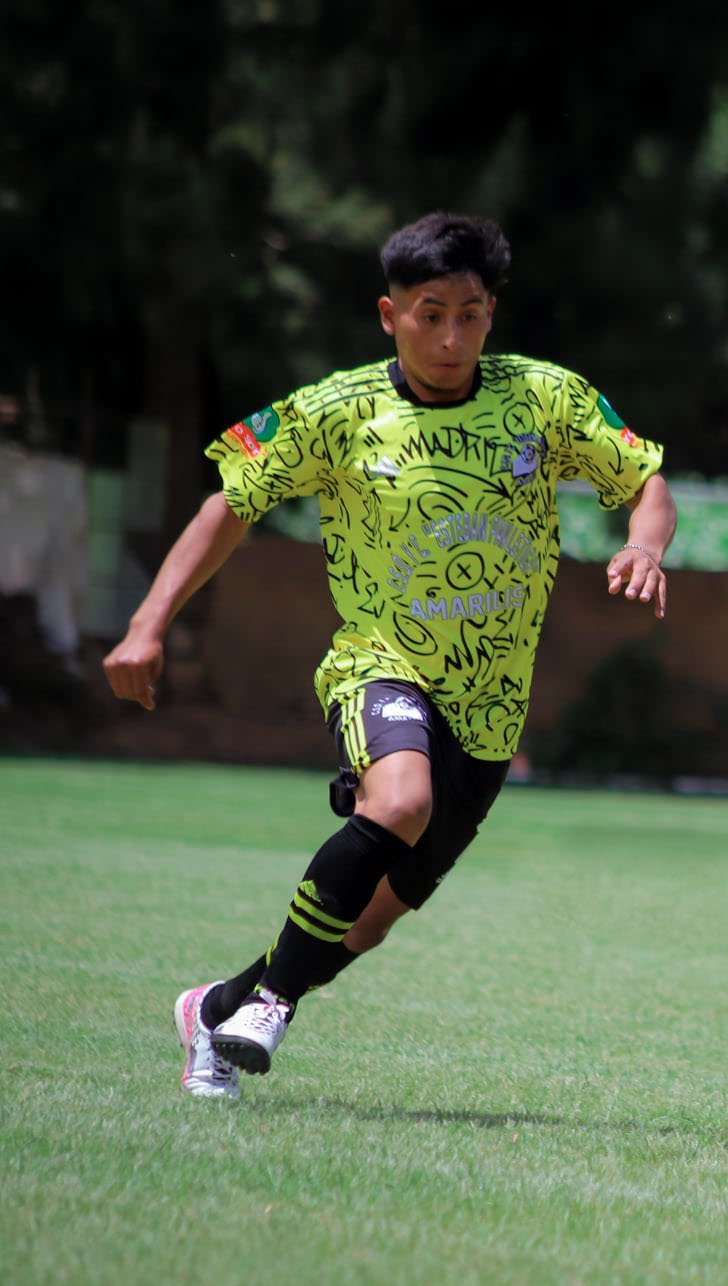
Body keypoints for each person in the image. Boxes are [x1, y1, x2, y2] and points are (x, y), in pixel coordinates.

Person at [104, 211, 677, 1099]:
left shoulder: (544, 397)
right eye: (429, 313)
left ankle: (218, 1009)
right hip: (381, 663)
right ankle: (272, 1012)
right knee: (399, 800)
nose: (452, 337)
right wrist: (149, 622)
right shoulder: (336, 412)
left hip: (491, 709)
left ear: (494, 311)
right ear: (388, 313)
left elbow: (644, 480)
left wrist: (644, 544)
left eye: (473, 314)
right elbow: (232, 502)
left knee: (364, 926)